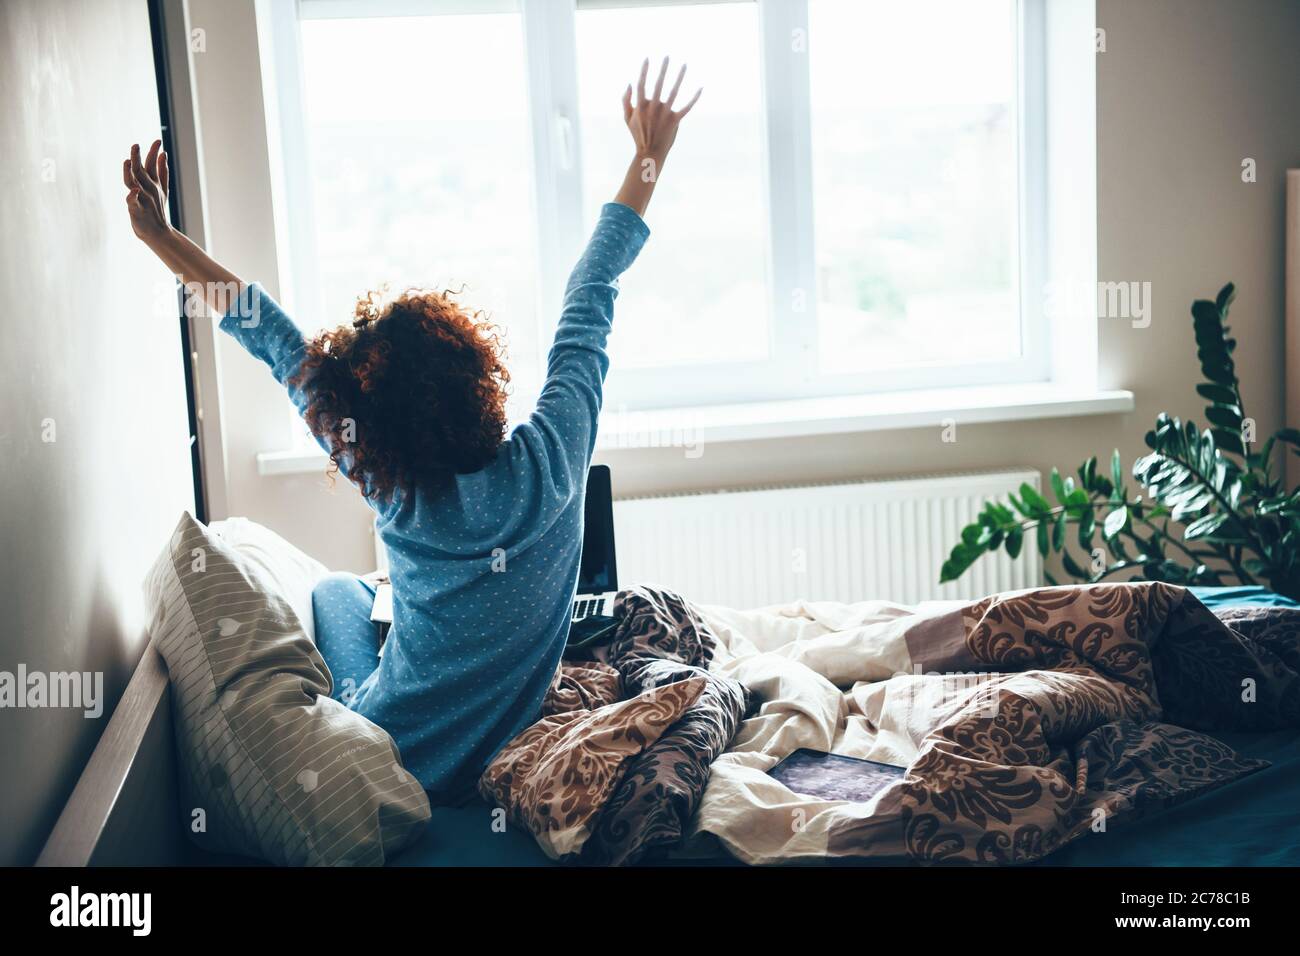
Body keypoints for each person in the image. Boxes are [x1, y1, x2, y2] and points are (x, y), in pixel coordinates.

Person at [123, 58, 701, 800]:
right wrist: (647, 156)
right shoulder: (556, 455)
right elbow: (591, 288)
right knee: (352, 594)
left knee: (339, 590)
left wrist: (159, 235)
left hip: (394, 754)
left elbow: (272, 337)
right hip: (498, 751)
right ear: (478, 376)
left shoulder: (387, 479)